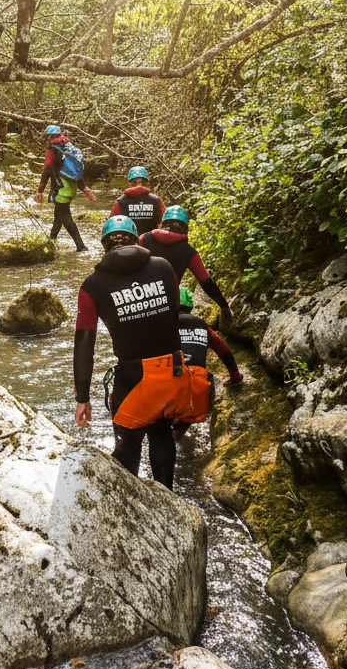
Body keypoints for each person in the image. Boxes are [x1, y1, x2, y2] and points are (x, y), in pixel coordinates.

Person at [73, 216, 194, 490]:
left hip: (134, 376)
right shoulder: (164, 268)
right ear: (136, 239)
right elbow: (173, 314)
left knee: (128, 442)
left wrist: (83, 397)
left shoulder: (92, 286)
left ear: (104, 244)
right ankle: (168, 498)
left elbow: (84, 342)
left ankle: (131, 503)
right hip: (173, 371)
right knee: (162, 433)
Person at [139, 205, 233, 327]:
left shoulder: (144, 239)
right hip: (168, 305)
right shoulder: (189, 252)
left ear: (163, 223)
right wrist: (224, 306)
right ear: (185, 228)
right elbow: (206, 282)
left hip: (139, 301)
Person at [173, 287, 242, 440]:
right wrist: (235, 375)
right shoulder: (202, 325)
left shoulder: (164, 325)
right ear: (190, 307)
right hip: (197, 392)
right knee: (207, 378)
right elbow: (223, 350)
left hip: (171, 389)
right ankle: (179, 429)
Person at [35, 125, 96, 251]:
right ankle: (51, 241)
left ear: (49, 136)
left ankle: (81, 246)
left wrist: (40, 191)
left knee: (66, 217)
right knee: (58, 216)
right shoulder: (69, 147)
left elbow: (46, 170)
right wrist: (83, 188)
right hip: (71, 187)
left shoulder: (52, 150)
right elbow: (74, 172)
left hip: (61, 189)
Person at [109, 166, 164, 235]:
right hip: (151, 241)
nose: (139, 186)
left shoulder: (121, 201)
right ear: (147, 183)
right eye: (136, 182)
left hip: (128, 241)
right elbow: (165, 222)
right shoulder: (156, 200)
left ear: (129, 183)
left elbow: (111, 225)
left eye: (141, 182)